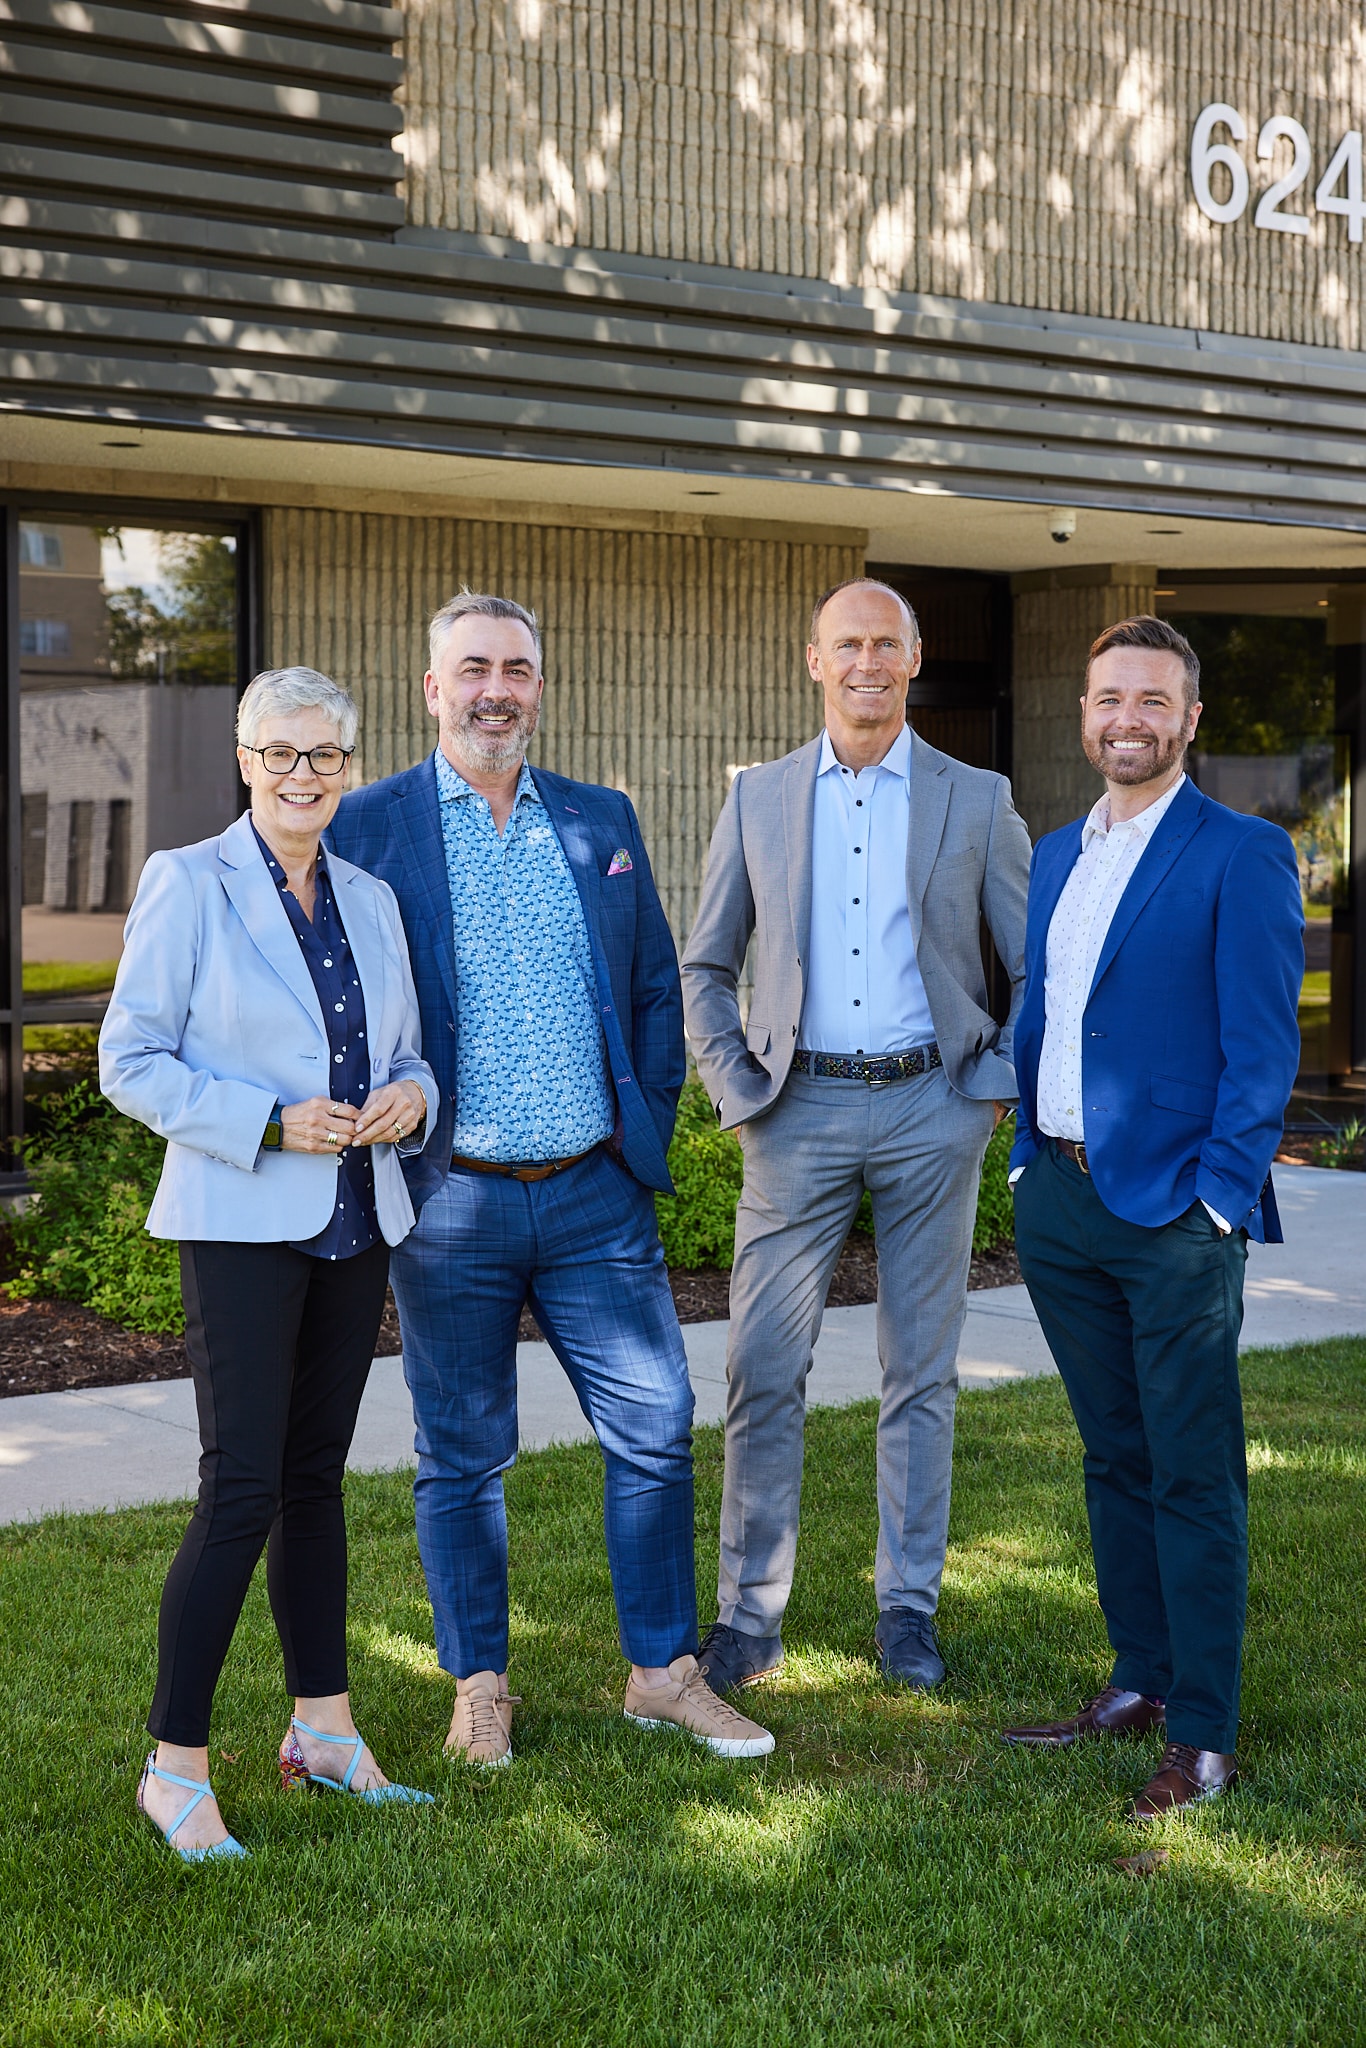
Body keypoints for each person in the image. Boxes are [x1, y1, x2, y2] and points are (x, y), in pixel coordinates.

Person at [327, 591, 774, 1765]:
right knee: (461, 1452)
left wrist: (644, 1135)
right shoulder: (368, 825)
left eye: (516, 669)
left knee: (656, 1425)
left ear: (539, 686)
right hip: (449, 1194)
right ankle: (479, 1684)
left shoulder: (598, 817)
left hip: (593, 1194)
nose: (495, 689)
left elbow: (647, 988)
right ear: (431, 688)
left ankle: (663, 1672)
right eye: (471, 667)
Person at [100, 666, 439, 1861]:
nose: (306, 775)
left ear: (350, 762)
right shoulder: (188, 880)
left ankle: (326, 1730)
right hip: (242, 1221)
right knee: (239, 1485)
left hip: (356, 1220)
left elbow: (407, 1051)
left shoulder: (373, 896)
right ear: (246, 759)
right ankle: (173, 1765)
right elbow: (128, 1059)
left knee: (315, 1483)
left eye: (327, 754)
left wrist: (409, 1092)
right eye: (282, 753)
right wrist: (263, 1118)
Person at [681, 578, 1032, 1695]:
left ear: (915, 656)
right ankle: (750, 1614)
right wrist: (738, 1085)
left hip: (936, 1107)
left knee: (918, 1370)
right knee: (761, 1365)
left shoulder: (977, 798)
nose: (868, 660)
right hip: (798, 1112)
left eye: (887, 642)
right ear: (813, 658)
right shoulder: (760, 800)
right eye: (848, 643)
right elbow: (703, 964)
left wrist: (993, 1086)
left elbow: (1033, 966)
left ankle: (907, 1609)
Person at [1000, 615, 1303, 1820]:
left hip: (1175, 1208)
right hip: (1061, 1198)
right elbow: (1050, 1011)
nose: (1124, 717)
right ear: (1086, 712)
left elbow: (1262, 1047)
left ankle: (1207, 1731)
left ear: (1187, 719)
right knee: (1112, 1453)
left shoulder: (1240, 851)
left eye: (1150, 700)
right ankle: (1136, 1679)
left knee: (1191, 1470)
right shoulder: (1059, 853)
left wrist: (1219, 1200)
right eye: (1106, 697)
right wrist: (1027, 1164)